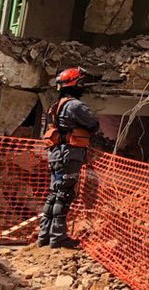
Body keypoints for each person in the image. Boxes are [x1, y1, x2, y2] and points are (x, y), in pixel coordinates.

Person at [37, 67, 111, 249]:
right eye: (81, 83)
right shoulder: (75, 106)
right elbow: (93, 124)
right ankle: (58, 237)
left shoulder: (56, 106)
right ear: (75, 84)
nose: (83, 86)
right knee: (64, 194)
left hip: (56, 154)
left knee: (54, 194)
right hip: (68, 154)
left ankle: (44, 235)